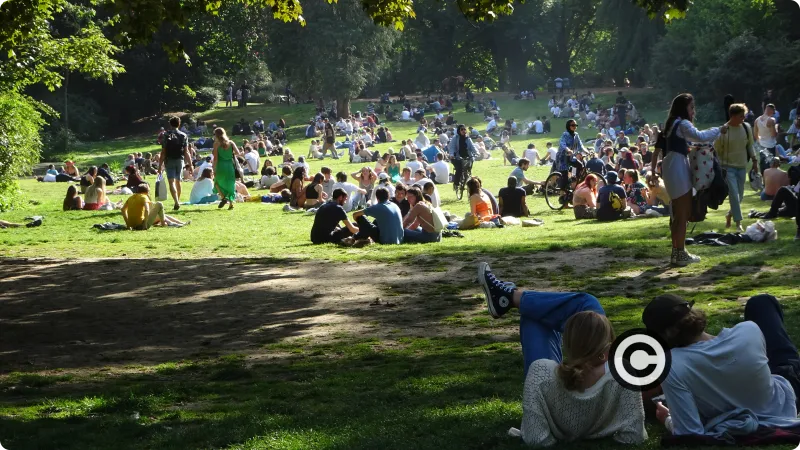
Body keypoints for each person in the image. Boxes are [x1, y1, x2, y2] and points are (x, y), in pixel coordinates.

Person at [476, 262, 647, 447]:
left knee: (537, 314)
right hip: (598, 379)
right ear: (608, 349)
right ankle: (509, 297)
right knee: (581, 305)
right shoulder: (622, 372)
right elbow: (634, 435)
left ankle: (509, 297)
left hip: (556, 405)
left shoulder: (541, 372)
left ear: (566, 344)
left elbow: (536, 439)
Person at [643, 294, 800, 438]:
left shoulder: (672, 366)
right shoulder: (748, 331)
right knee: (761, 302)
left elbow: (689, 432)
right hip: (787, 401)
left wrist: (667, 419)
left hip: (747, 410)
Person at [650, 93, 724, 266]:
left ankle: (677, 252)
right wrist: (719, 129)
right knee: (682, 213)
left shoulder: (670, 125)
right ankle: (681, 253)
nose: (693, 111)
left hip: (670, 166)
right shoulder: (682, 123)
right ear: (684, 108)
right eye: (691, 107)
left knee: (676, 213)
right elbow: (699, 136)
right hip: (677, 166)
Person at [715, 104, 758, 232]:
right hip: (728, 167)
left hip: (742, 166)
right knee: (734, 194)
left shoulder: (746, 127)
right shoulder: (724, 130)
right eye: (741, 116)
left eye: (744, 115)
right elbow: (717, 150)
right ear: (732, 116)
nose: (743, 118)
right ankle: (738, 223)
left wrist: (755, 161)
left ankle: (730, 214)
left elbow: (750, 145)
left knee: (740, 196)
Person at [158, 116, 194, 211]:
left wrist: (159, 165)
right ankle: (176, 201)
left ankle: (176, 201)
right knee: (178, 181)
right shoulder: (183, 135)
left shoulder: (166, 135)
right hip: (180, 160)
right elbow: (186, 152)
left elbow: (163, 151)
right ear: (179, 124)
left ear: (170, 124)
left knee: (171, 181)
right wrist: (191, 164)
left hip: (169, 160)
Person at [121, 184, 187, 230]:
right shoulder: (144, 197)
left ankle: (179, 223)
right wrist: (145, 225)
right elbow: (147, 210)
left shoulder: (131, 197)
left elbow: (123, 209)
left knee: (161, 215)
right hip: (141, 226)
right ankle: (164, 224)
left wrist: (128, 224)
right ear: (146, 192)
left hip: (133, 225)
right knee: (159, 204)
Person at [211, 127, 240, 210]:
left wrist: (214, 167)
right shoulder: (231, 143)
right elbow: (238, 153)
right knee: (230, 184)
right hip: (230, 165)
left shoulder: (216, 144)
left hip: (220, 165)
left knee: (216, 183)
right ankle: (231, 204)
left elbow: (216, 158)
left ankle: (224, 197)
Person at [556, 120, 586, 194]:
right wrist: (568, 149)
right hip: (562, 157)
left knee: (580, 166)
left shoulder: (576, 135)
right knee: (565, 176)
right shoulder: (565, 134)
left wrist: (588, 151)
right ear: (568, 126)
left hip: (570, 156)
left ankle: (574, 180)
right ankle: (562, 195)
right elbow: (562, 143)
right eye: (572, 125)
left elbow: (580, 145)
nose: (574, 127)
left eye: (575, 125)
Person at [447, 124, 477, 193]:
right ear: (459, 131)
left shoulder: (468, 138)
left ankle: (467, 181)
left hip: (467, 157)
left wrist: (477, 153)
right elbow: (452, 148)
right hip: (456, 157)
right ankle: (456, 184)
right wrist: (451, 154)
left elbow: (473, 147)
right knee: (459, 169)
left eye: (464, 129)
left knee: (468, 169)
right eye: (462, 129)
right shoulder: (455, 138)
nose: (463, 131)